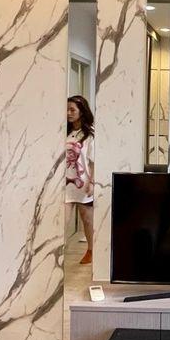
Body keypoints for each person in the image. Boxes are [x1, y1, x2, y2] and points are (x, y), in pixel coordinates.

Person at [65, 95, 95, 265]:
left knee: (87, 220)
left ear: (81, 112)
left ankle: (91, 250)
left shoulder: (89, 134)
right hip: (65, 184)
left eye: (72, 110)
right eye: (67, 110)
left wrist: (92, 182)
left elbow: (93, 161)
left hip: (83, 183)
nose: (69, 113)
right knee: (62, 220)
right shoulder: (63, 131)